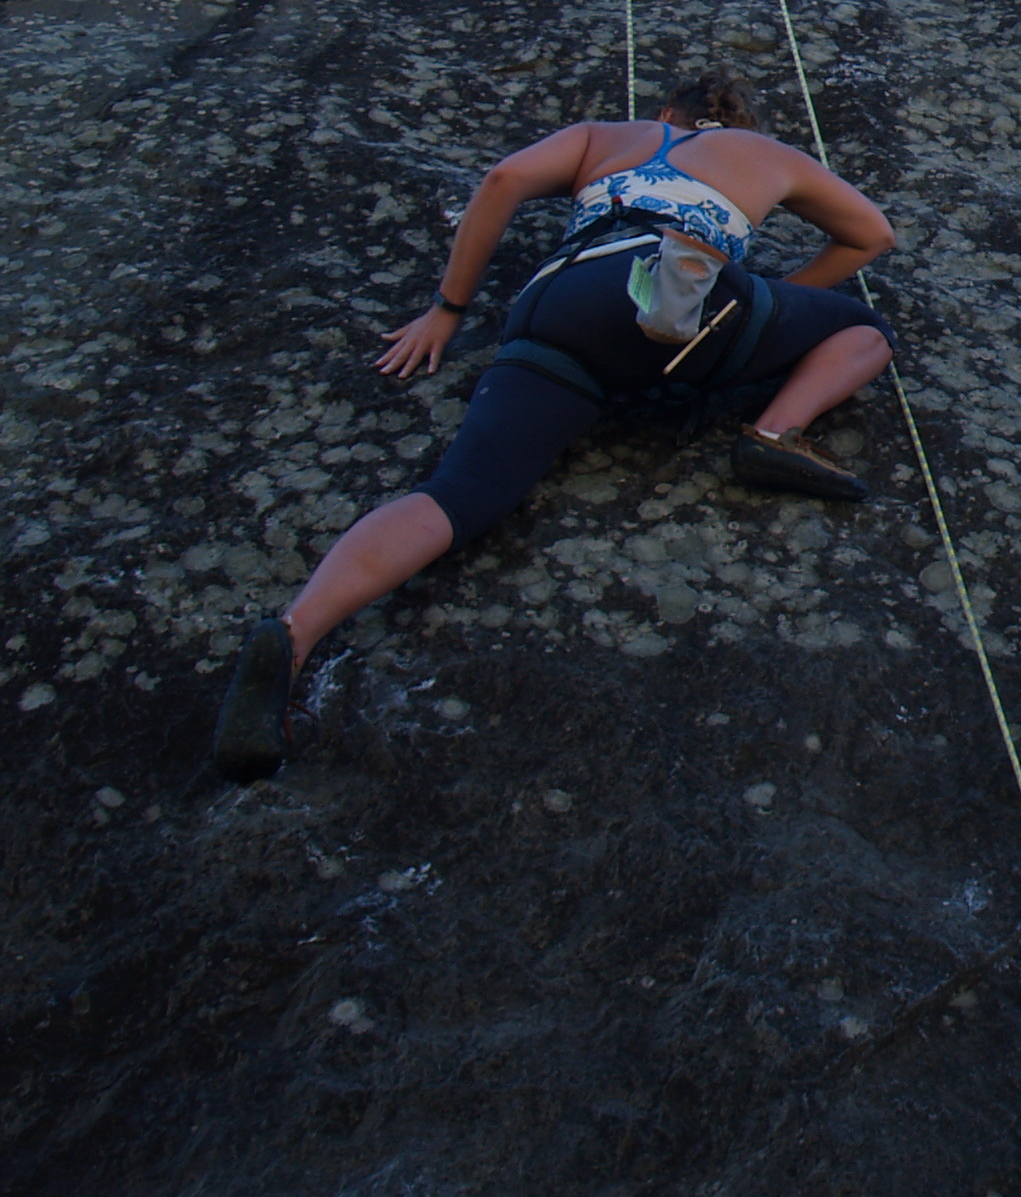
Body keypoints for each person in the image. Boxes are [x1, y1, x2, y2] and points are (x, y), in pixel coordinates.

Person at [212, 72, 899, 781]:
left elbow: (505, 178)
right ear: (737, 124)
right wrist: (778, 302)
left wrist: (447, 310)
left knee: (463, 490)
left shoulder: (609, 137)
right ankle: (774, 433)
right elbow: (871, 234)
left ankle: (294, 635)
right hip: (674, 297)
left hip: (556, 307)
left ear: (667, 115)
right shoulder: (765, 153)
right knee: (866, 332)